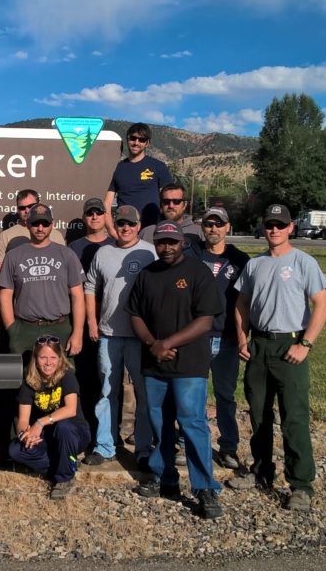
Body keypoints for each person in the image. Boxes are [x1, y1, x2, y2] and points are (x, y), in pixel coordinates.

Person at [228, 204, 326, 512]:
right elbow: (241, 304)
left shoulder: (303, 262)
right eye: (269, 224)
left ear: (290, 229)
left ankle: (300, 484)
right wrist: (241, 337)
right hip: (259, 345)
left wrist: (305, 344)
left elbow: (322, 305)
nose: (273, 229)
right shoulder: (255, 264)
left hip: (290, 345)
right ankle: (261, 471)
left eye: (279, 225)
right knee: (259, 415)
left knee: (293, 417)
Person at [128, 220, 225, 520]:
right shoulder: (147, 275)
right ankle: (164, 476)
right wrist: (151, 343)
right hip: (155, 363)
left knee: (192, 422)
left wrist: (167, 342)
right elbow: (135, 315)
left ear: (182, 241)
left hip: (189, 365)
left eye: (172, 241)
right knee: (159, 422)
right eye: (161, 242)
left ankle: (205, 487)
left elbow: (206, 320)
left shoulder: (198, 273)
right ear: (155, 243)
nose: (166, 247)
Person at [81, 206, 157, 470]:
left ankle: (144, 448)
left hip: (140, 337)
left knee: (143, 393)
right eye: (121, 223)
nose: (126, 228)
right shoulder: (104, 252)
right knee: (107, 392)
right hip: (109, 334)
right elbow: (90, 286)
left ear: (138, 225)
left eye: (131, 224)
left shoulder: (149, 252)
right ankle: (105, 445)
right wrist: (92, 320)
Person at [197, 207, 249, 470]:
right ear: (202, 227)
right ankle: (190, 443)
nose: (213, 229)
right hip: (196, 338)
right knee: (193, 394)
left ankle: (228, 446)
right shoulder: (192, 255)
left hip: (226, 338)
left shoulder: (240, 260)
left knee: (225, 396)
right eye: (208, 224)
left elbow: (246, 303)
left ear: (228, 227)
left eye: (219, 224)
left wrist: (243, 337)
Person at [0, 203, 85, 359]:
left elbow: (78, 295)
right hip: (24, 328)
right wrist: (12, 329)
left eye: (45, 223)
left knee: (63, 380)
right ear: (27, 224)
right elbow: (5, 295)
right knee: (25, 380)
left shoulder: (67, 254)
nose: (40, 228)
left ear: (52, 224)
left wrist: (77, 333)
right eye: (35, 223)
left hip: (60, 328)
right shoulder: (13, 256)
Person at [9, 335, 91, 499]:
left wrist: (40, 423)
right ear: (36, 359)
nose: (48, 363)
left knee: (64, 426)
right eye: (43, 357)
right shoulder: (29, 380)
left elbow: (71, 409)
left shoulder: (67, 375)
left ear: (60, 358)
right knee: (15, 450)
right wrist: (24, 435)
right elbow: (23, 419)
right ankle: (66, 464)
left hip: (74, 433)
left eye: (53, 357)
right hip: (49, 436)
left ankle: (64, 479)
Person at [66, 197, 115, 447]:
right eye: (90, 213)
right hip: (83, 324)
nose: (94, 216)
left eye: (99, 212)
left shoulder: (117, 245)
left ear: (105, 216)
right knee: (84, 378)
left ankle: (109, 436)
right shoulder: (74, 247)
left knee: (107, 382)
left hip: (111, 323)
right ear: (84, 217)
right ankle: (86, 433)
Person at [104, 122, 173, 237]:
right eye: (133, 138)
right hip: (125, 230)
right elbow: (107, 203)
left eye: (141, 140)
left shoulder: (158, 166)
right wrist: (112, 230)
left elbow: (169, 200)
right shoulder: (117, 168)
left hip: (152, 230)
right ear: (128, 139)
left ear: (147, 143)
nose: (136, 143)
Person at [0, 189, 65, 274]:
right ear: (17, 209)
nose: (27, 210)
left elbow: (64, 266)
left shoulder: (56, 235)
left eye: (31, 206)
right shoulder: (6, 235)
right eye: (22, 208)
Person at [139, 180, 202, 249]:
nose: (171, 206)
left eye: (176, 201)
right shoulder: (147, 233)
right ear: (161, 205)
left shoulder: (199, 232)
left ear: (184, 205)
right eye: (166, 201)